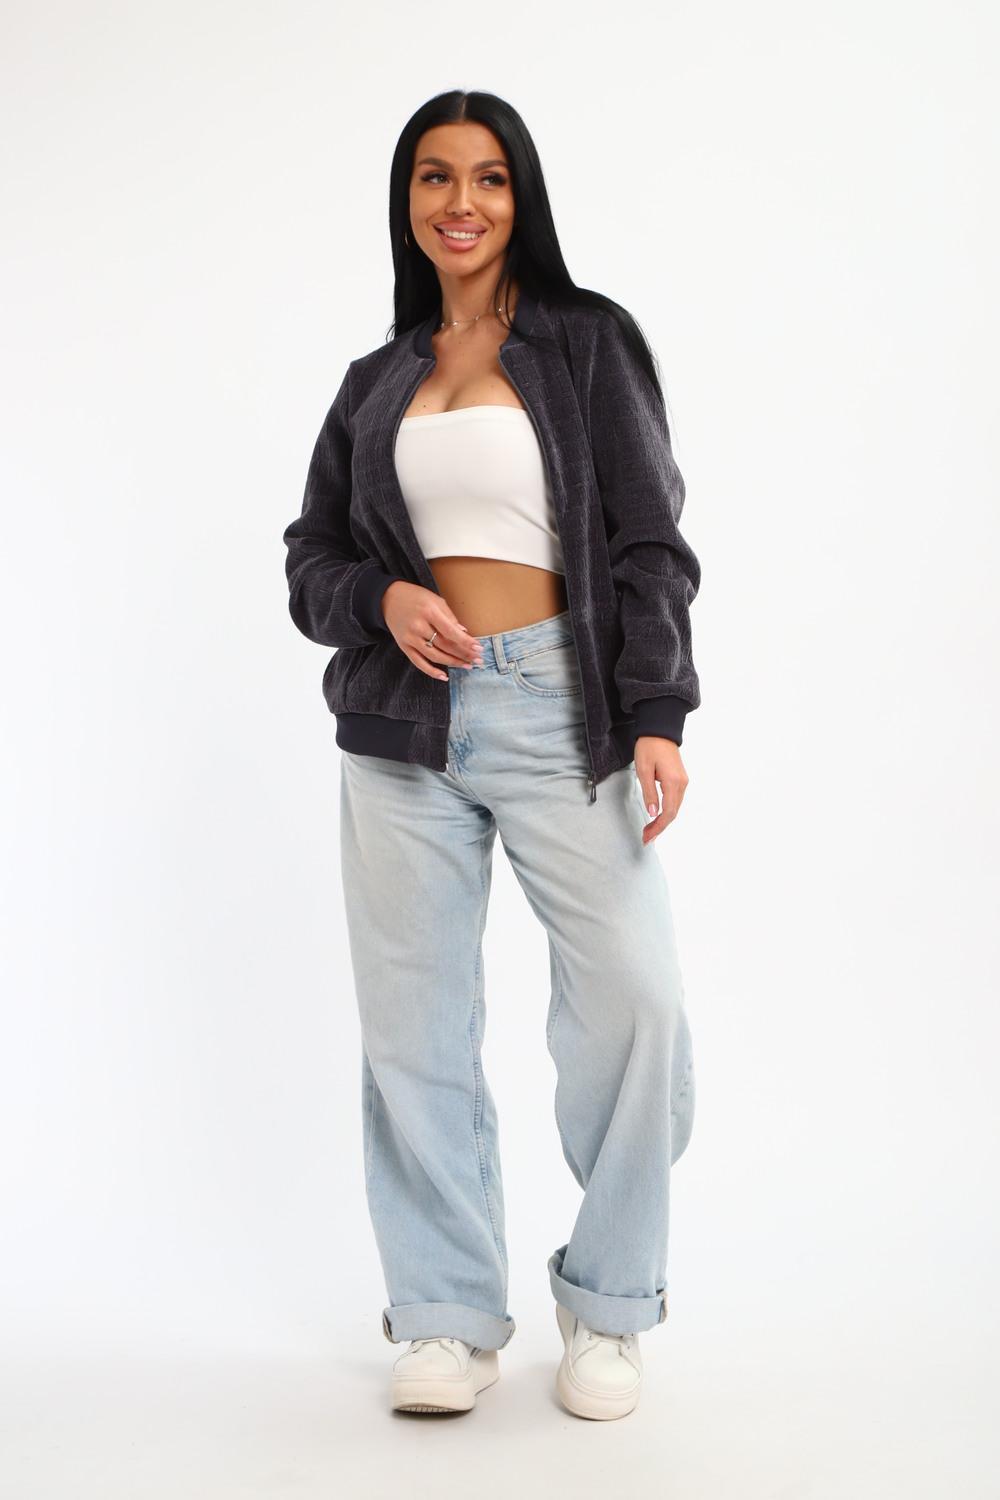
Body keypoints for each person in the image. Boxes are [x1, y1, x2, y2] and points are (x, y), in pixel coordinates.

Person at [283, 89, 700, 1421]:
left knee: (636, 1003)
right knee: (413, 1029)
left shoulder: (587, 342)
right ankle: (446, 1316)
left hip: (562, 706)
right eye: (433, 177)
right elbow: (312, 559)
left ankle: (611, 1304)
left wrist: (656, 709)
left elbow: (648, 541)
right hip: (401, 729)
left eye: (488, 177)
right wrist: (382, 599)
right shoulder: (377, 380)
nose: (460, 203)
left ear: (522, 196)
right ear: (406, 201)